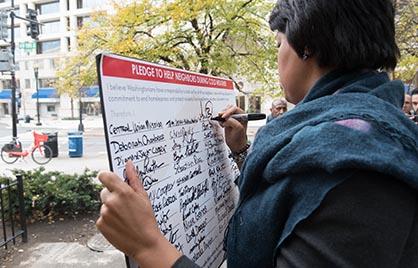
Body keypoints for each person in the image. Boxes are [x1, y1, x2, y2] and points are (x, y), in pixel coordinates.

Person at [96, 0, 418, 267]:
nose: (277, 57)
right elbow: (292, 198)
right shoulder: (343, 131)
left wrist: (149, 245)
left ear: (306, 44)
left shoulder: (359, 168)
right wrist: (241, 152)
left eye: (279, 43)